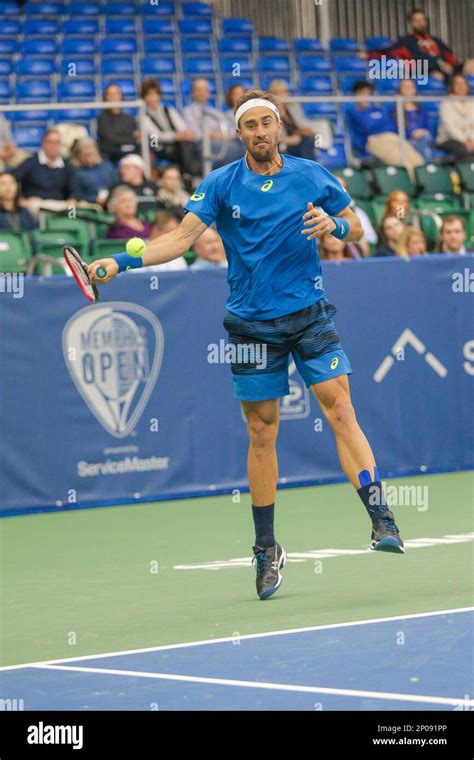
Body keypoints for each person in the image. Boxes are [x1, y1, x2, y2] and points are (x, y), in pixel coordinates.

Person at [90, 89, 405, 601]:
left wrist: (337, 225)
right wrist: (120, 262)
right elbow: (179, 240)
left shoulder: (309, 174)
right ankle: (266, 548)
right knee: (262, 432)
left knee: (341, 408)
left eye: (267, 123)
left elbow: (359, 224)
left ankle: (380, 518)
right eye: (250, 125)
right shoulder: (219, 184)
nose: (260, 132)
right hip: (251, 326)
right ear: (239, 134)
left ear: (279, 127)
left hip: (310, 315)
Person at [346, 81, 424, 180]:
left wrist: (374, 122)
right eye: (362, 93)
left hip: (392, 137)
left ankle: (425, 185)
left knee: (418, 160)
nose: (366, 96)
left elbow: (390, 125)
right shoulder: (353, 112)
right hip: (374, 141)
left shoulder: (379, 109)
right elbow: (367, 126)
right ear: (355, 95)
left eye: (368, 93)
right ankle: (415, 189)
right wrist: (377, 122)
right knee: (405, 163)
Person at [366, 8, 459, 81]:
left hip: (448, 74)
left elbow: (450, 57)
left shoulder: (436, 41)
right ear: (411, 23)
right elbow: (388, 52)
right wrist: (367, 54)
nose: (420, 23)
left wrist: (452, 67)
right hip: (424, 74)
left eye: (422, 20)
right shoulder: (406, 41)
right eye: (416, 20)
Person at [11, 128, 76, 218]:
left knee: (74, 211)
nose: (54, 146)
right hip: (37, 204)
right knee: (36, 209)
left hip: (60, 204)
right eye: (50, 142)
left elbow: (74, 188)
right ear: (43, 143)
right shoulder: (31, 162)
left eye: (57, 143)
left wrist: (72, 200)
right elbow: (11, 179)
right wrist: (20, 199)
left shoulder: (66, 165)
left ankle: (71, 229)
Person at [141, 78, 200, 176]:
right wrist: (176, 136)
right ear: (144, 97)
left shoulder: (169, 110)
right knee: (187, 147)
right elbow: (155, 136)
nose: (153, 98)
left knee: (193, 144)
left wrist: (186, 132)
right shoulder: (143, 116)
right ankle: (191, 174)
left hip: (177, 145)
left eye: (155, 94)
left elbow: (182, 126)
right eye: (149, 95)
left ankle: (190, 174)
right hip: (158, 147)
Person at [182, 78, 244, 169]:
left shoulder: (215, 112)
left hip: (222, 141)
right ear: (192, 92)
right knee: (241, 148)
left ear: (208, 93)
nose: (202, 92)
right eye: (198, 89)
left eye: (204, 90)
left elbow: (229, 129)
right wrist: (210, 135)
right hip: (203, 144)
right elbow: (193, 133)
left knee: (243, 143)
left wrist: (224, 135)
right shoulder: (187, 112)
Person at [268, 79, 317, 161]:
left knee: (309, 138)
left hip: (298, 138)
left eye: (284, 92)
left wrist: (299, 134)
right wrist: (287, 140)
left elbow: (303, 125)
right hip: (282, 143)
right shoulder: (269, 110)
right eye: (277, 93)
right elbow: (271, 136)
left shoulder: (293, 106)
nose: (282, 95)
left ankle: (309, 167)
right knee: (281, 149)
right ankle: (303, 168)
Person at [97, 84, 139, 163]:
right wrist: (128, 140)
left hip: (131, 151)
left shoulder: (129, 118)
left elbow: (135, 137)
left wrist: (130, 140)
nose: (114, 97)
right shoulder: (102, 119)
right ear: (105, 97)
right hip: (111, 154)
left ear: (121, 96)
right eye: (110, 94)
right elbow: (109, 139)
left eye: (116, 94)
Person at [394, 79, 433, 162]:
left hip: (424, 138)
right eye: (406, 87)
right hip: (406, 142)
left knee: (425, 138)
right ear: (400, 90)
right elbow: (396, 131)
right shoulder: (396, 111)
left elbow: (429, 128)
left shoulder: (422, 110)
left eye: (412, 87)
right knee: (425, 149)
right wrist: (412, 133)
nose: (410, 90)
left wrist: (422, 131)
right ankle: (427, 168)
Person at [437, 74, 474, 160]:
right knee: (463, 150)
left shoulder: (472, 102)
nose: (461, 87)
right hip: (449, 139)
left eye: (463, 83)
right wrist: (465, 141)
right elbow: (450, 127)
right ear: (452, 86)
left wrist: (472, 140)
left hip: (471, 138)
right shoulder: (446, 103)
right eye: (458, 84)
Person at [71, 138, 117, 205]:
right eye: (86, 155)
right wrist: (95, 199)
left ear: (97, 152)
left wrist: (109, 197)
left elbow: (116, 185)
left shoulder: (107, 166)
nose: (89, 158)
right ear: (78, 155)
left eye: (91, 154)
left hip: (111, 201)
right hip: (90, 205)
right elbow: (75, 195)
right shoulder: (75, 171)